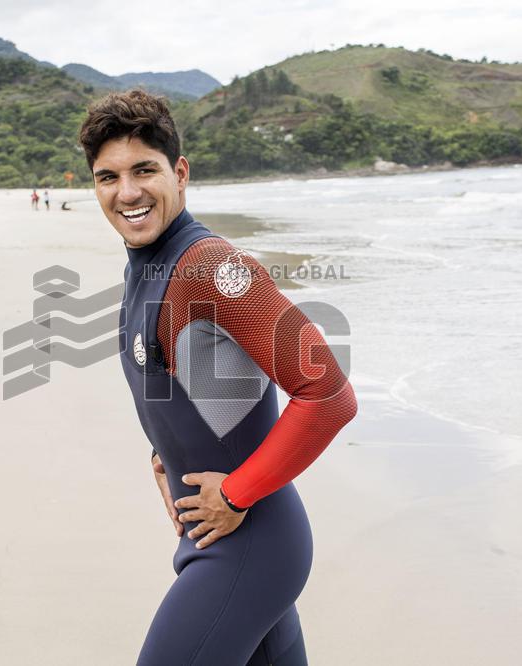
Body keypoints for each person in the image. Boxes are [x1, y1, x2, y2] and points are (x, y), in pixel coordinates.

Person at [79, 90, 357, 665]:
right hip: (219, 538)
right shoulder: (145, 269)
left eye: (144, 171)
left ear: (180, 173)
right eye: (108, 177)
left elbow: (329, 392)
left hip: (251, 542)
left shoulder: (212, 267)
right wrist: (168, 460)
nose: (126, 193)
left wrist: (234, 492)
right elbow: (182, 389)